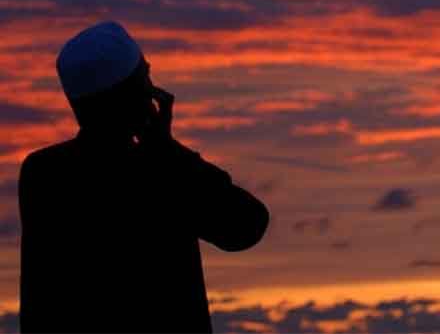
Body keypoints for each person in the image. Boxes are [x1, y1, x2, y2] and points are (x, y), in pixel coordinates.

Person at [17, 20, 270, 333]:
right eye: (146, 78)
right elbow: (247, 224)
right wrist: (167, 150)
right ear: (138, 95)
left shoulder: (43, 174)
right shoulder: (161, 172)